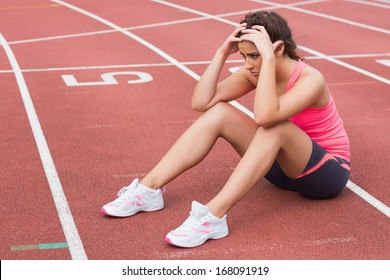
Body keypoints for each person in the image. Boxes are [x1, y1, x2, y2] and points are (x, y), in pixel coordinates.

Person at [101, 11, 351, 248]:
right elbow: (201, 102)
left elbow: (265, 117)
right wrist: (221, 54)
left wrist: (266, 62)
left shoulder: (311, 79)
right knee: (219, 112)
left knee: (275, 127)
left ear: (279, 48)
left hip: (325, 175)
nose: (248, 64)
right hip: (281, 169)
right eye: (243, 56)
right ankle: (148, 190)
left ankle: (213, 216)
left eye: (255, 55)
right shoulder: (254, 72)